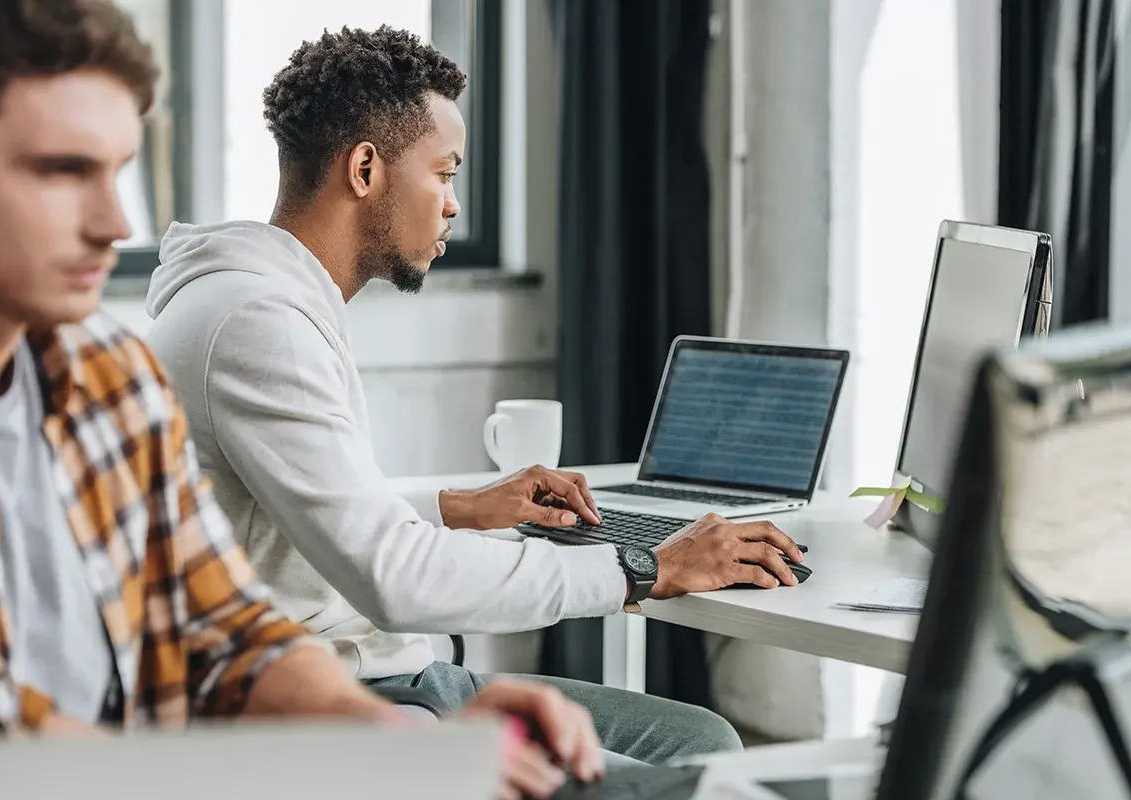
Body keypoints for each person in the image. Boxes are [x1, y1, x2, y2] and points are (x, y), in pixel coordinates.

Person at [0, 3, 606, 797]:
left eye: (115, 171)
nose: (113, 223)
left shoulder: (109, 388)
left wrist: (387, 731)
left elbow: (230, 628)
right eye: (60, 171)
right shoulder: (248, 320)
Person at [145, 25, 807, 765]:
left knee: (702, 740)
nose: (454, 204)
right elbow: (393, 578)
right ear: (365, 169)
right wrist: (644, 567)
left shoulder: (260, 301)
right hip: (355, 701)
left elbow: (304, 519)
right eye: (444, 173)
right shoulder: (257, 324)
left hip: (395, 674)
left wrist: (457, 509)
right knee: (688, 775)